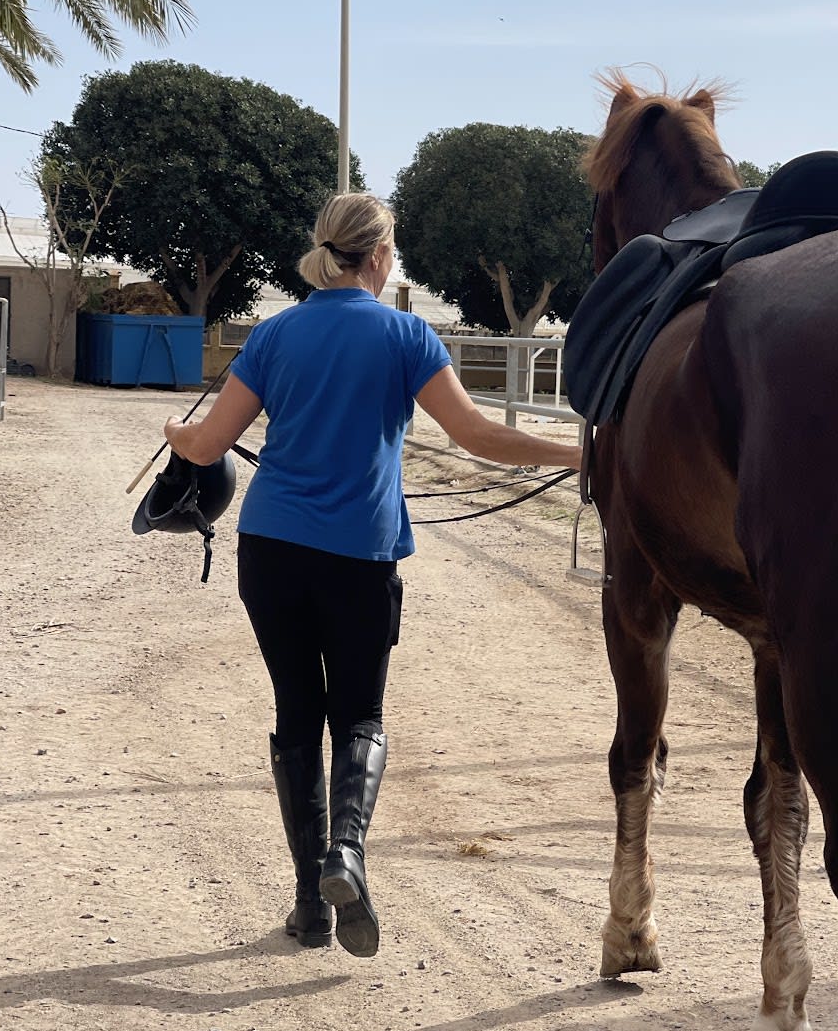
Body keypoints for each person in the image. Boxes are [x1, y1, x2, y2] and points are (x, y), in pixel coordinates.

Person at [163, 192, 583, 957]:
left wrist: (175, 432)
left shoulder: (275, 332)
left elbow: (208, 444)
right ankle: (346, 854)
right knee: (358, 715)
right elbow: (478, 435)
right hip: (359, 555)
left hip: (271, 548)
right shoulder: (407, 335)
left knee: (297, 713)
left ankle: (310, 908)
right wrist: (580, 453)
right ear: (381, 256)